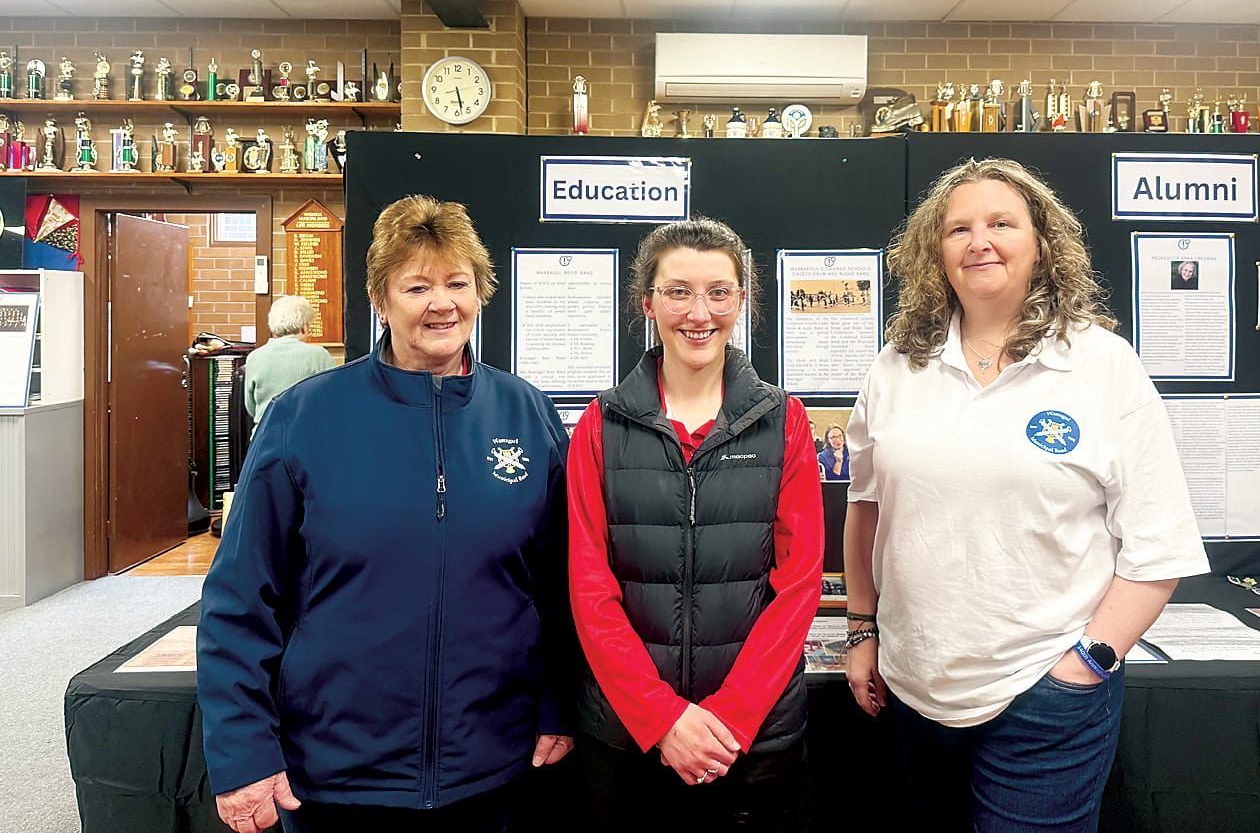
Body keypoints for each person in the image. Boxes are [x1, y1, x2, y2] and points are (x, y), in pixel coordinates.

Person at [842, 158, 1208, 833]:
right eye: (959, 228)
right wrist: (861, 628)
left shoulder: (1103, 367)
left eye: (1001, 223)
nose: (979, 241)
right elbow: (865, 506)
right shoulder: (898, 365)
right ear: (937, 251)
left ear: (1041, 242)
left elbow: (1158, 551)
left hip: (1043, 695)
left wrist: (1085, 666)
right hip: (913, 687)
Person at [198, 195, 575, 833]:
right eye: (417, 286)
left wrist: (558, 706)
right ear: (380, 299)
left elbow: (560, 584)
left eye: (458, 283)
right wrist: (241, 754)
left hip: (492, 767)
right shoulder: (306, 418)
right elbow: (239, 597)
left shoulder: (526, 415)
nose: (442, 303)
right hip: (337, 777)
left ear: (481, 292)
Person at [567, 216, 824, 831]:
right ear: (647, 302)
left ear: (742, 300)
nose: (699, 313)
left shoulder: (783, 423)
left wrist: (729, 721)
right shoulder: (599, 428)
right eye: (678, 291)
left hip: (754, 745)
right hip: (628, 742)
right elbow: (589, 589)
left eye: (718, 292)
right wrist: (662, 721)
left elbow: (798, 587)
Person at [242, 295, 334, 431]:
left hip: (264, 439)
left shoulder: (254, 357)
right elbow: (332, 402)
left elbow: (251, 407)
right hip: (306, 437)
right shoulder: (319, 356)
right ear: (304, 327)